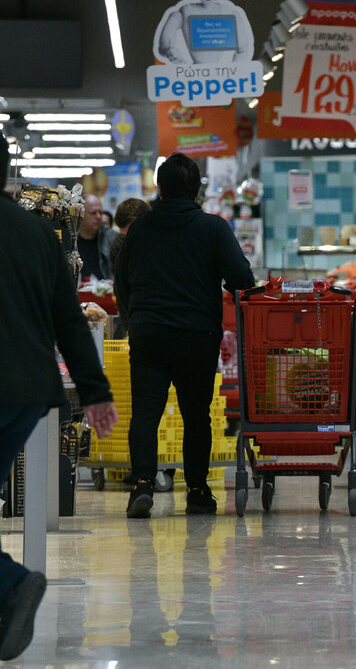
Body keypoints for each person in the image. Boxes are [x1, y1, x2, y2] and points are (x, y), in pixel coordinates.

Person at [0, 121, 118, 660]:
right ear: (6, 171)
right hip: (28, 392)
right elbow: (69, 320)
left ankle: (11, 586)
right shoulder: (35, 232)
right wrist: (96, 391)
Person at [115, 153, 255, 519]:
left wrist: (137, 321)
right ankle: (197, 491)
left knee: (145, 413)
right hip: (197, 334)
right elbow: (242, 278)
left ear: (159, 188)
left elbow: (122, 284)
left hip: (148, 334)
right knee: (197, 416)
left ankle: (142, 485)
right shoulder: (213, 228)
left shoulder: (140, 230)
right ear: (197, 190)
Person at [77, 193, 119, 281]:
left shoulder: (113, 238)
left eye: (100, 212)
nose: (99, 217)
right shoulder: (69, 240)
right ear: (80, 214)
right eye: (93, 213)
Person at [109, 197, 151, 277]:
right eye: (127, 236)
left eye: (135, 234)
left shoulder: (161, 243)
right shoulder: (119, 245)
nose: (131, 240)